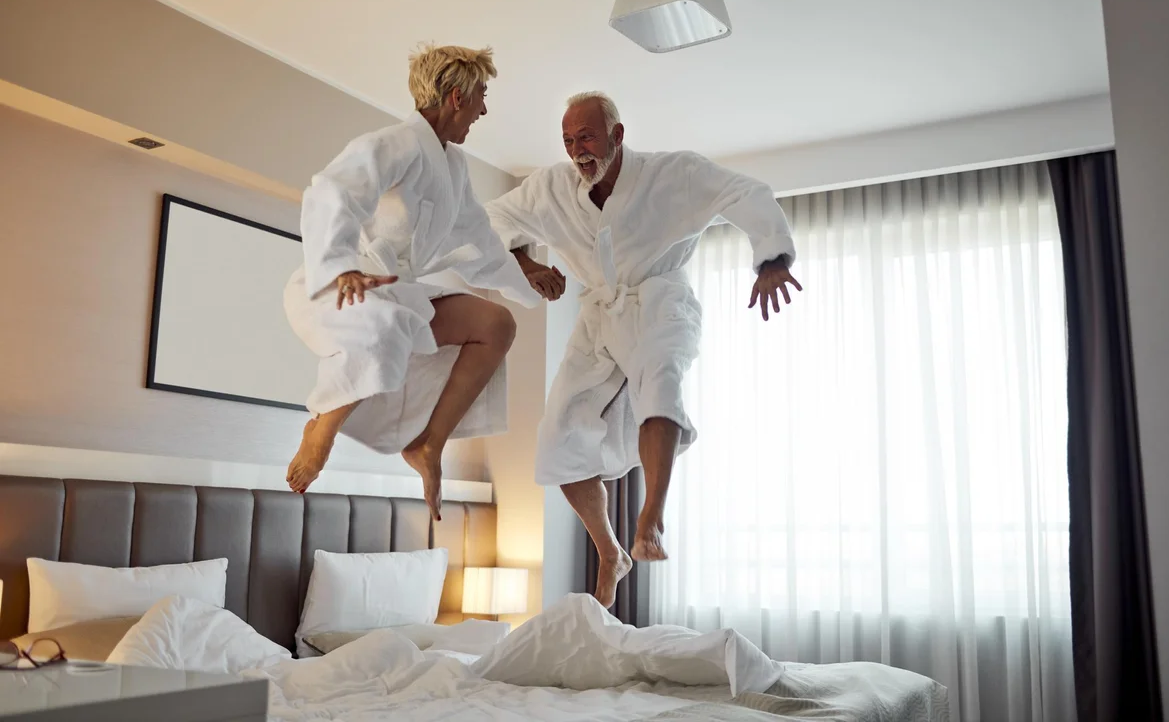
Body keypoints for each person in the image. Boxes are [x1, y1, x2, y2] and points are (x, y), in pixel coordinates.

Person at [486, 91, 801, 607]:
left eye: (586, 136)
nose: (577, 151)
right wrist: (527, 264)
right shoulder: (551, 188)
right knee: (557, 437)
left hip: (659, 299)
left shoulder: (672, 175)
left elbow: (744, 192)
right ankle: (611, 551)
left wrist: (771, 258)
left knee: (660, 384)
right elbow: (492, 221)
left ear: (617, 134)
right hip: (599, 312)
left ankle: (650, 518)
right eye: (568, 140)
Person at [282, 44, 542, 519]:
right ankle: (322, 428)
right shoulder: (392, 144)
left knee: (497, 325)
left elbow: (479, 239)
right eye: (481, 96)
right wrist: (342, 266)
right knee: (385, 325)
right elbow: (333, 191)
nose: (483, 109)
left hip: (395, 286)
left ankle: (428, 443)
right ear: (456, 97)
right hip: (342, 285)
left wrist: (528, 278)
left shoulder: (455, 167)